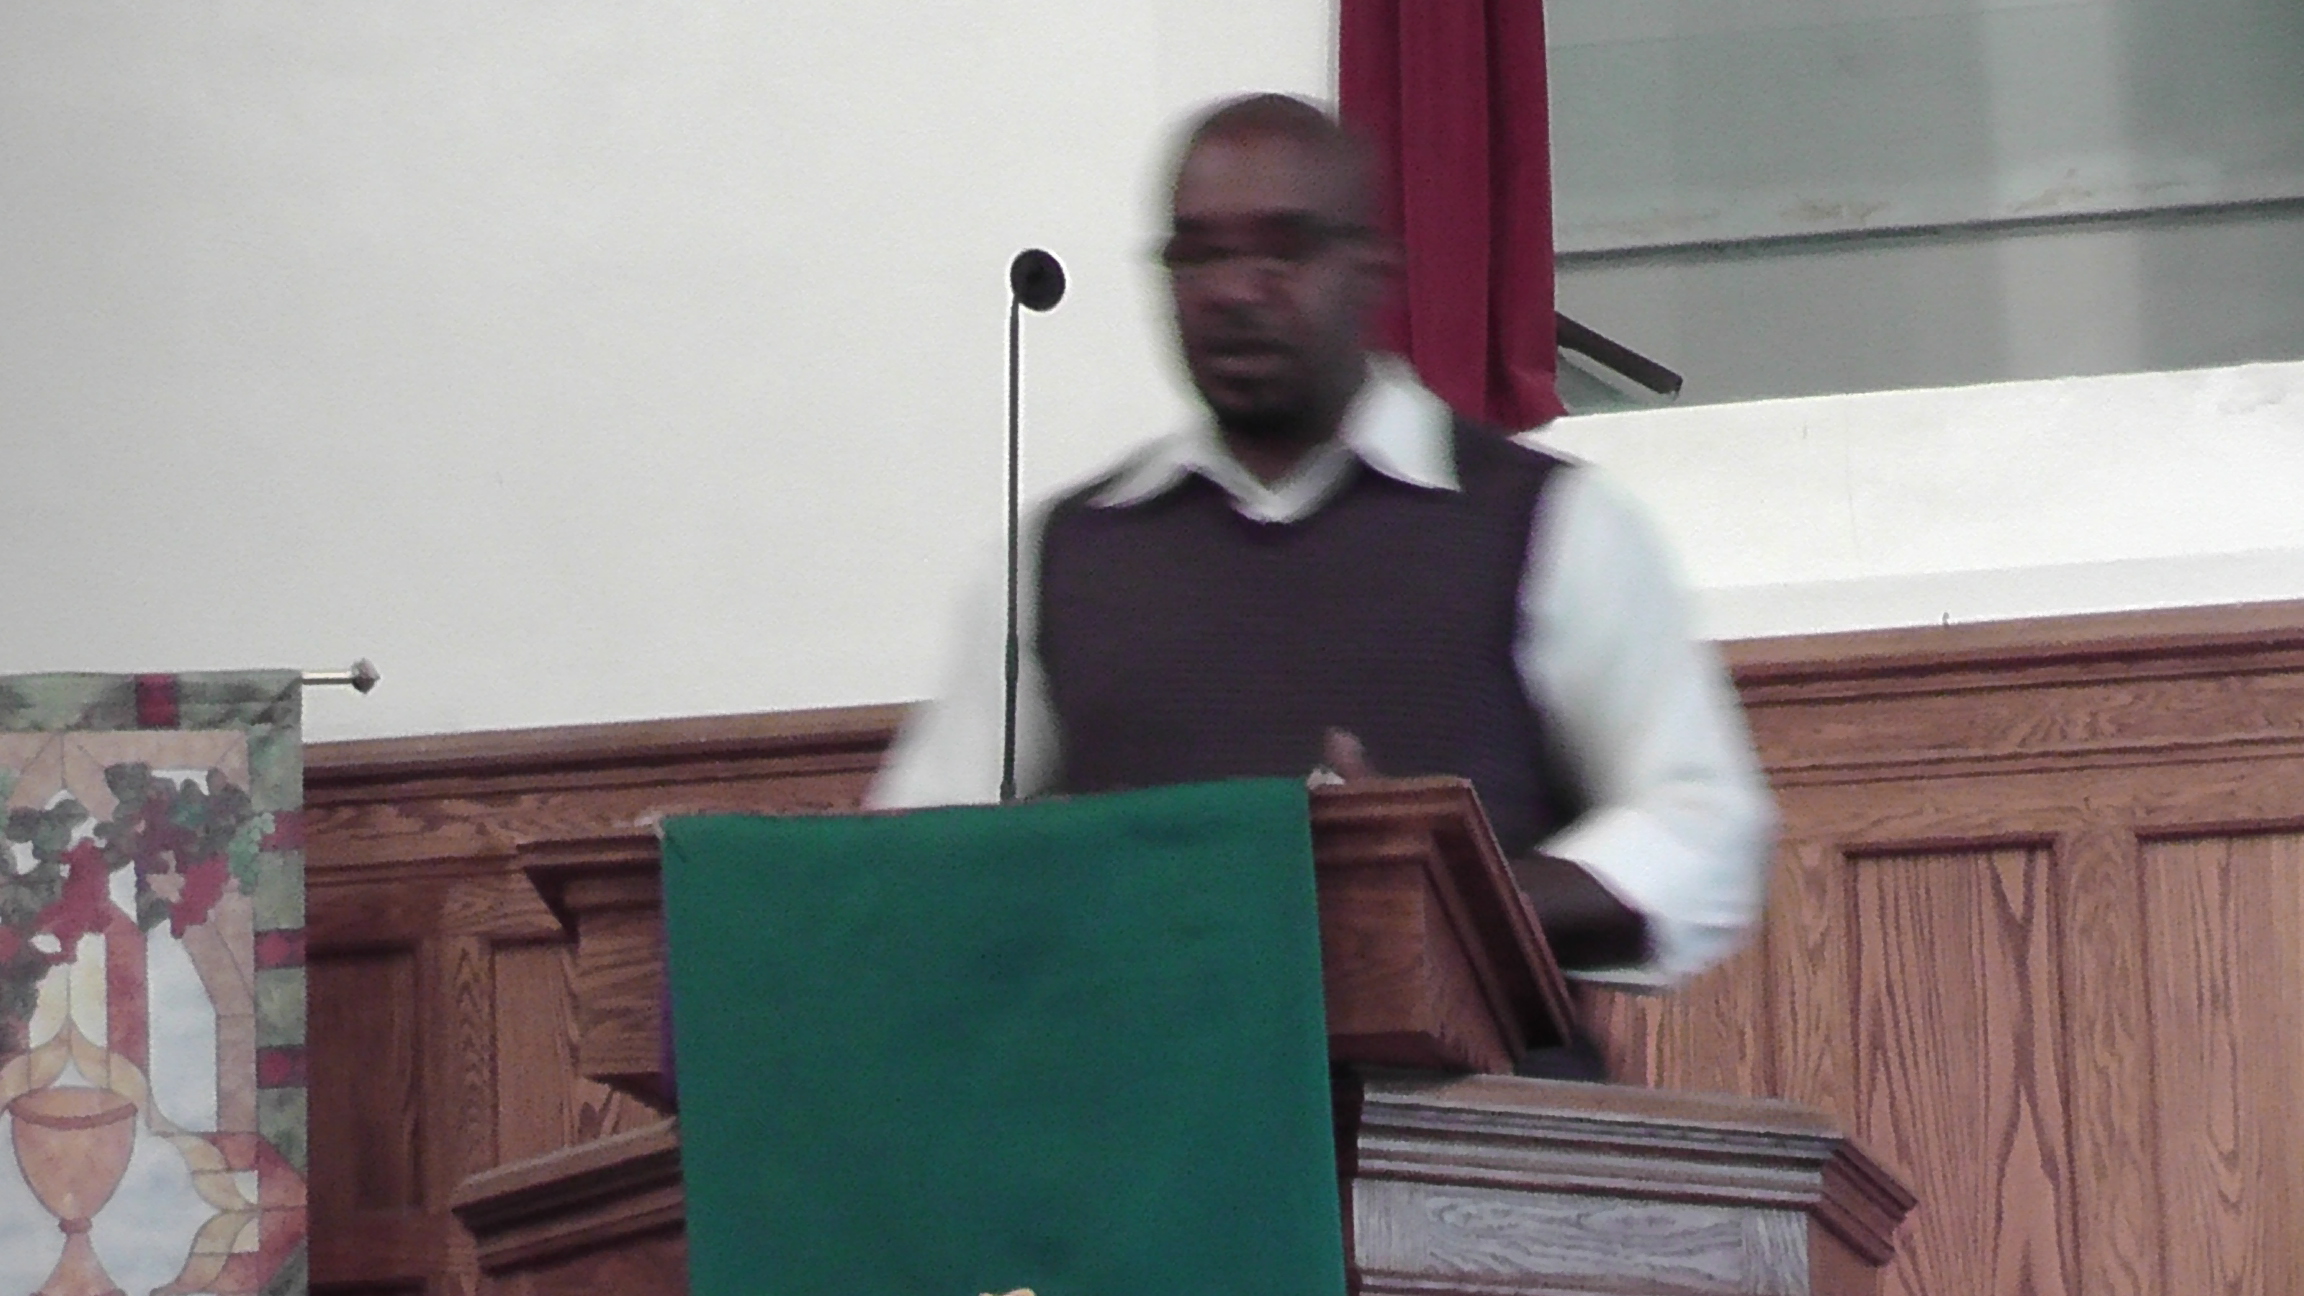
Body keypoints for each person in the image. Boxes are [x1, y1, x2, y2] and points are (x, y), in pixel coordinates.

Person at [870, 94, 1774, 1033]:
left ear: (1374, 268)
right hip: (1136, 1100)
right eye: (1200, 255)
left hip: (1460, 1111)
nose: (1234, 290)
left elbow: (1704, 829)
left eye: (1282, 250)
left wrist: (1440, 898)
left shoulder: (1547, 522)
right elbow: (909, 866)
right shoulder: (1062, 554)